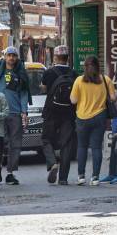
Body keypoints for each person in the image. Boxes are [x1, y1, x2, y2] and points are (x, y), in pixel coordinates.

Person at [70, 56, 115, 186]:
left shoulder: (79, 81)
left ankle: (81, 176)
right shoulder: (106, 80)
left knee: (82, 146)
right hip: (99, 117)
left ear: (85, 67)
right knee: (96, 147)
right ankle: (95, 177)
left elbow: (73, 100)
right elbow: (113, 98)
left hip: (82, 118)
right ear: (98, 66)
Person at [0, 46, 31, 185]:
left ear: (17, 57)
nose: (11, 58)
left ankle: (10, 173)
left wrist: (24, 112)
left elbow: (24, 94)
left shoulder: (21, 73)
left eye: (14, 55)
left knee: (16, 145)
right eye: (9, 55)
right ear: (5, 56)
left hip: (15, 114)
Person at [41, 45, 77, 185]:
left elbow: (44, 89)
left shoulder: (49, 73)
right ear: (68, 58)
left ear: (55, 57)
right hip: (68, 113)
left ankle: (52, 163)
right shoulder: (74, 74)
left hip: (51, 111)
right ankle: (63, 178)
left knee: (46, 139)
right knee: (66, 144)